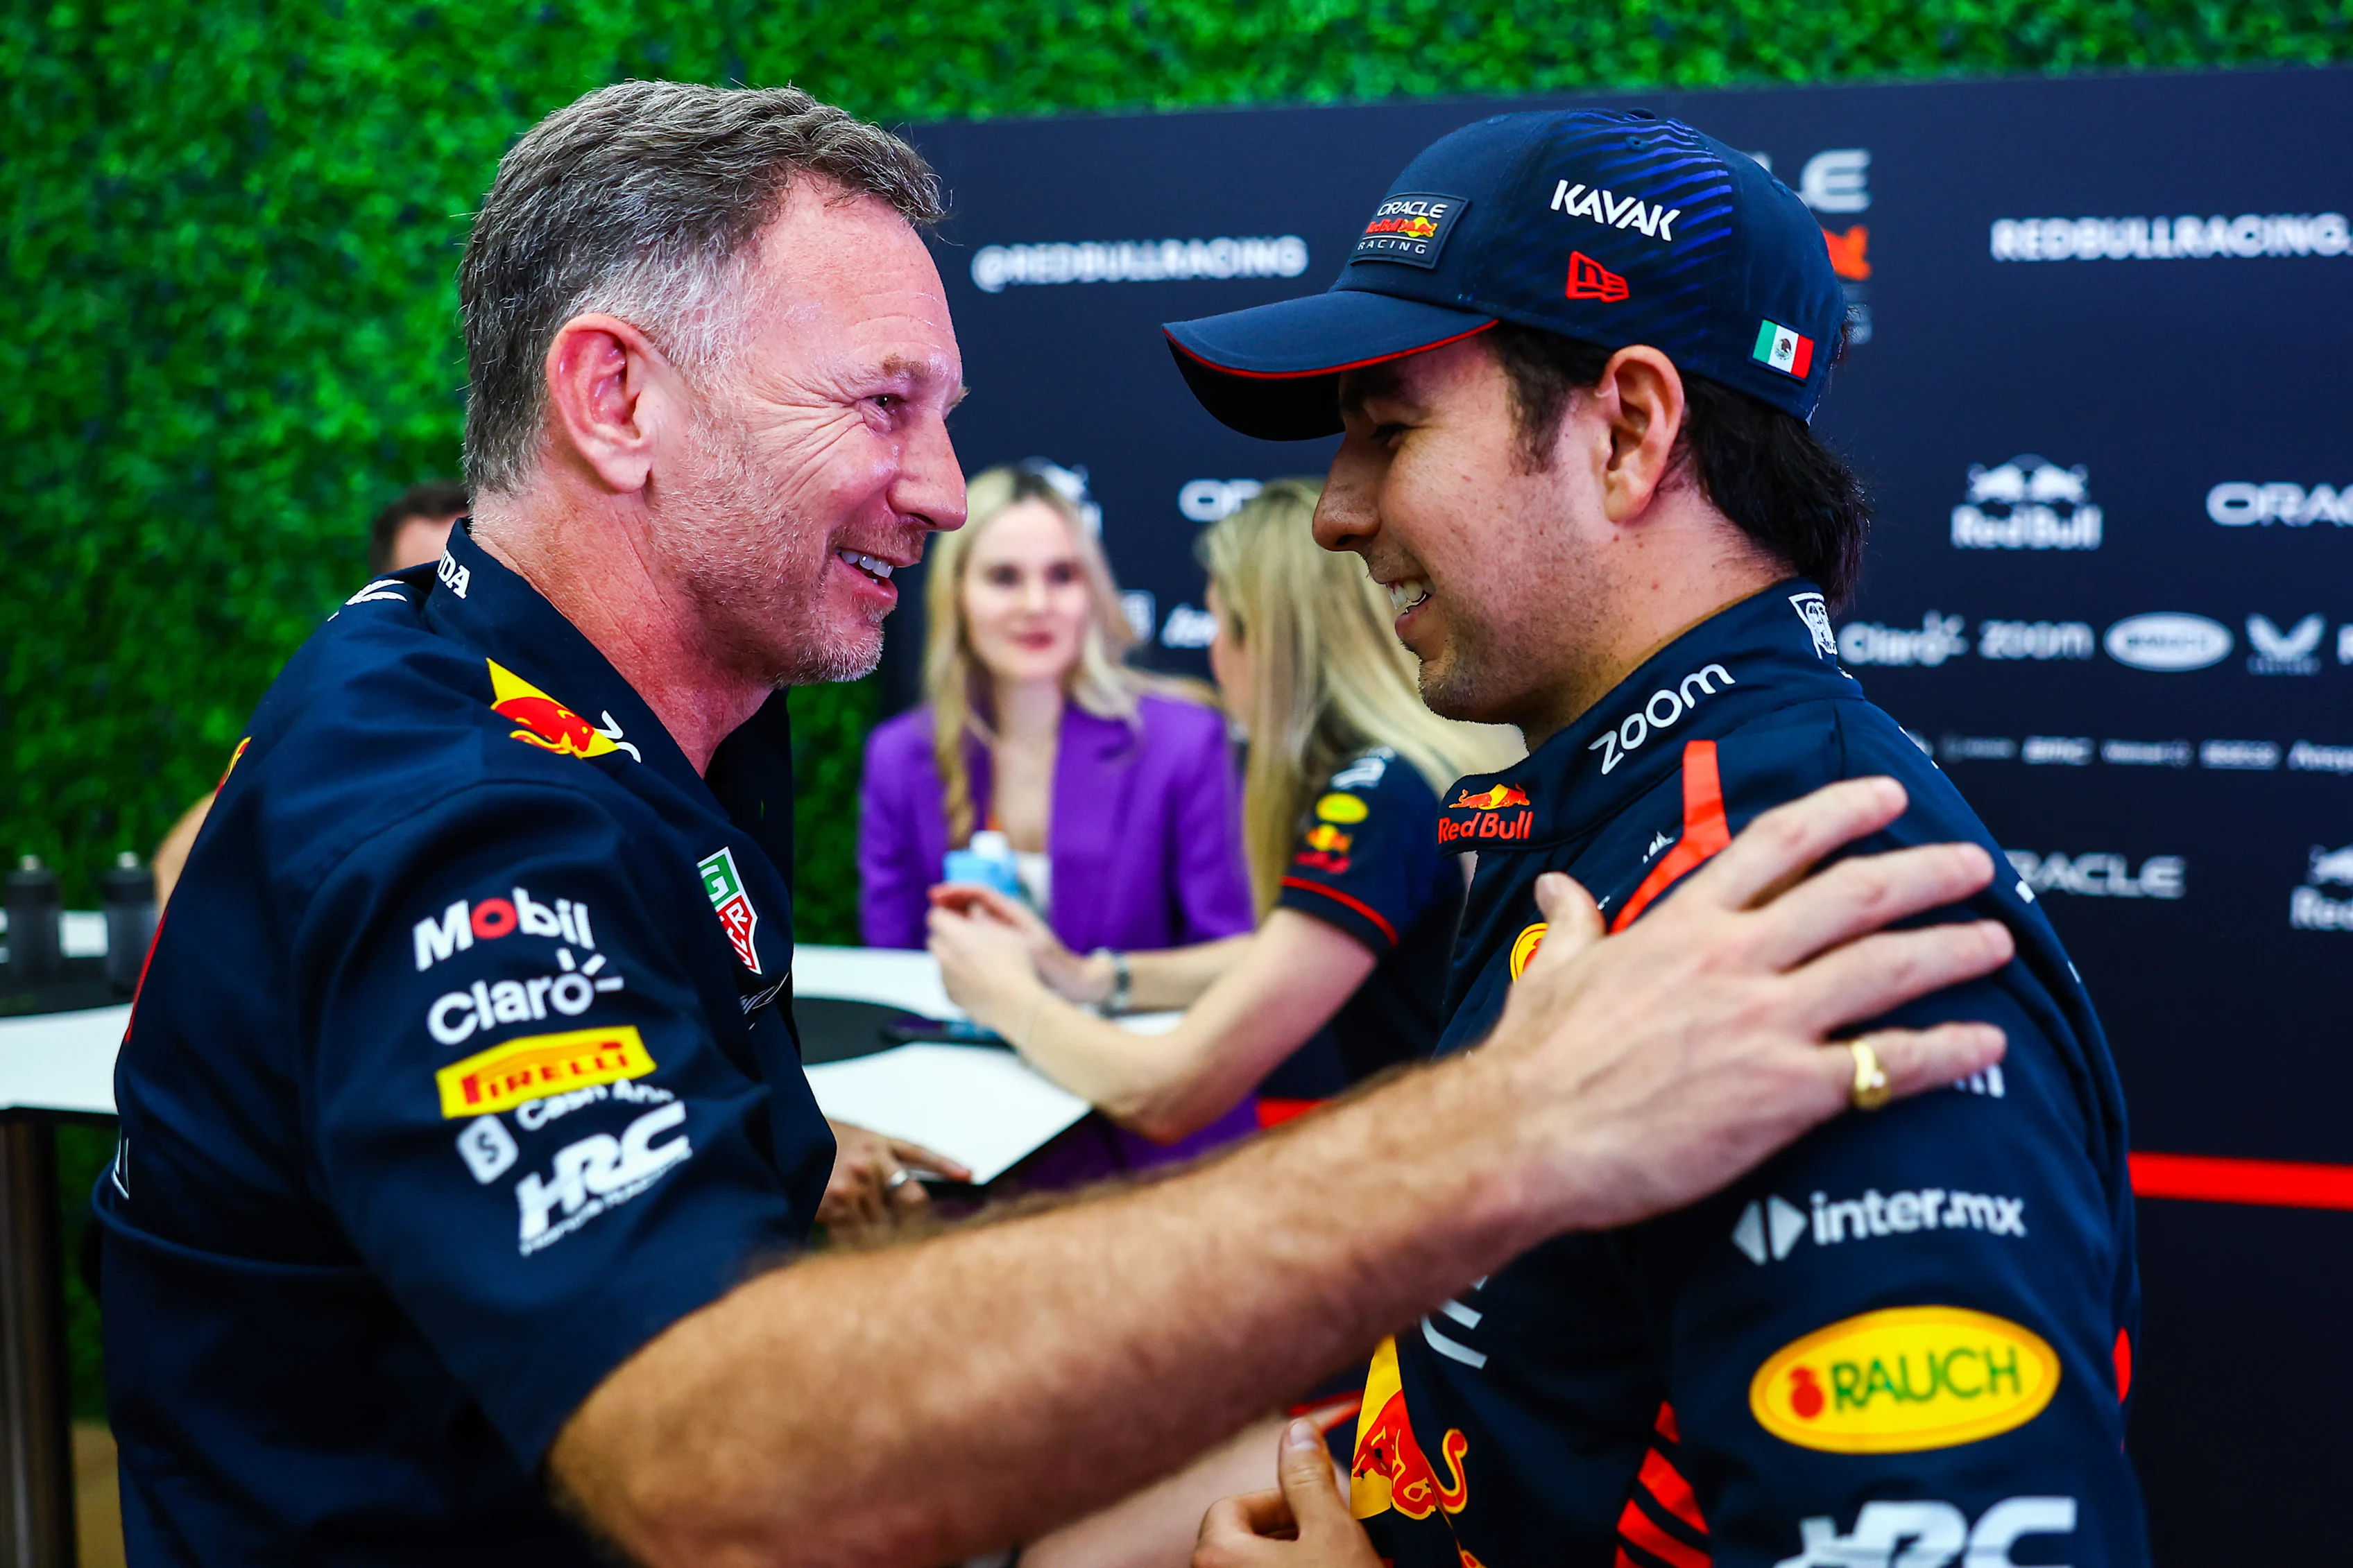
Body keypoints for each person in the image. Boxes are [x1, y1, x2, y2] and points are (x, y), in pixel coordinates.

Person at [96, 81, 2021, 1567]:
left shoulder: (606, 694)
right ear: (616, 397)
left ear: (1627, 430)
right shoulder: (477, 789)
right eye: (886, 402)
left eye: (1382, 430)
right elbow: (709, 1459)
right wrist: (1518, 1124)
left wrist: (749, 1144)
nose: (941, 489)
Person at [1163, 109, 2145, 1565]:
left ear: (1625, 429)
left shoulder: (1802, 894)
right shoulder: (1610, 806)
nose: (1336, 513)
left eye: (1388, 429)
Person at [929, 476, 1518, 1146]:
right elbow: (1283, 956)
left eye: (1217, 624)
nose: (1213, 653)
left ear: (1264, 640)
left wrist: (1006, 996)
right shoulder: (1409, 775)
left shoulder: (1379, 801)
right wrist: (1093, 977)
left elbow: (1164, 1090)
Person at [859, 461, 1252, 956]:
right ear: (956, 594)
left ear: (1092, 591)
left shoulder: (1186, 742)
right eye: (1004, 577)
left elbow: (1231, 952)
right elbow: (894, 960)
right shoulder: (898, 755)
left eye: (1062, 575)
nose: (1036, 603)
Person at [150, 479, 475, 906]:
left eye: (471, 579)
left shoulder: (557, 702)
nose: (459, 606)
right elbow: (177, 860)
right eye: (434, 587)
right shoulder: (353, 717)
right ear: (389, 601)